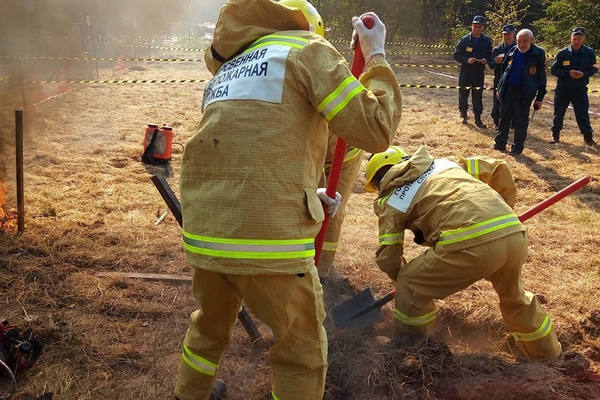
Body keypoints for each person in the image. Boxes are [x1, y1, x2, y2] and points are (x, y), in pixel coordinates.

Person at [174, 0, 402, 399]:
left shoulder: (228, 70)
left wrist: (303, 193)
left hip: (205, 234)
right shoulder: (308, 51)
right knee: (301, 352)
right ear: (309, 27)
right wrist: (376, 55)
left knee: (207, 330)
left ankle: (188, 394)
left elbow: (246, 148)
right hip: (270, 240)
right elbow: (375, 129)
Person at [366, 145, 562, 362]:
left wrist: (401, 282)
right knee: (515, 297)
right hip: (513, 232)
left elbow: (388, 256)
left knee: (409, 284)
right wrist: (504, 211)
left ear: (377, 182)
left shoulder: (391, 200)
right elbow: (498, 167)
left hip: (469, 244)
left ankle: (411, 352)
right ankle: (549, 356)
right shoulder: (444, 163)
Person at [316, 137, 363, 279]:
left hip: (345, 157)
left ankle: (321, 274)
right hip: (309, 156)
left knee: (331, 212)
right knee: (306, 205)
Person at [494, 29, 546, 156]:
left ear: (531, 40)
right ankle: (500, 143)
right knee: (504, 117)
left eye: (525, 41)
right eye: (519, 41)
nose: (521, 44)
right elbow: (505, 70)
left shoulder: (538, 54)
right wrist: (500, 88)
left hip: (524, 92)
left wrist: (539, 98)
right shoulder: (513, 51)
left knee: (520, 121)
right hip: (508, 89)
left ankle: (517, 148)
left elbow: (541, 77)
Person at [550, 27, 598, 147]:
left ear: (583, 39)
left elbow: (594, 68)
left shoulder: (589, 52)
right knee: (558, 113)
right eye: (574, 38)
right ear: (571, 38)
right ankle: (555, 136)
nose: (576, 41)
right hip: (563, 89)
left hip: (580, 89)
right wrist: (568, 73)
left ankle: (588, 138)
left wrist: (584, 74)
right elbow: (554, 70)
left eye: (579, 39)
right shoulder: (563, 53)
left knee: (582, 114)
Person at [453, 15, 493, 128]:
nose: (477, 28)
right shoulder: (464, 40)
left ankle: (478, 119)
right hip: (466, 71)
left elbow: (490, 55)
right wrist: (467, 60)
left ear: (482, 27)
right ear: (471, 26)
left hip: (478, 72)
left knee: (477, 96)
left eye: (479, 26)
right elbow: (456, 55)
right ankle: (464, 115)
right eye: (475, 26)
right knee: (463, 94)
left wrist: (487, 59)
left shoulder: (487, 41)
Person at [490, 24, 517, 129]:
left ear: (513, 34)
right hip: (499, 79)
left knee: (513, 101)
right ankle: (496, 121)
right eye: (505, 34)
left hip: (513, 80)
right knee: (497, 100)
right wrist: (496, 62)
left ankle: (513, 122)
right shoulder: (497, 49)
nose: (507, 36)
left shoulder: (518, 49)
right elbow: (491, 65)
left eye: (509, 34)